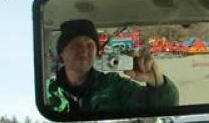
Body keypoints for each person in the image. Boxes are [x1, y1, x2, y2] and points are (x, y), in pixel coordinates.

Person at [46, 19, 179, 116]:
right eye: (76, 45)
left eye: (90, 45)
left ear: (97, 53)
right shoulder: (47, 90)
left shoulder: (114, 85)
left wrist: (158, 84)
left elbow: (165, 109)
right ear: (61, 54)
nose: (84, 50)